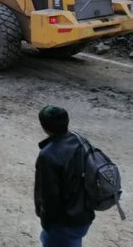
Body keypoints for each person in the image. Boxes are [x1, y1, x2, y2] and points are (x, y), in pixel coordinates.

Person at [35, 105, 94, 247]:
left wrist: (47, 222)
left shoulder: (48, 155)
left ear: (44, 126)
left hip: (64, 222)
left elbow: (50, 197)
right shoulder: (80, 141)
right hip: (84, 214)